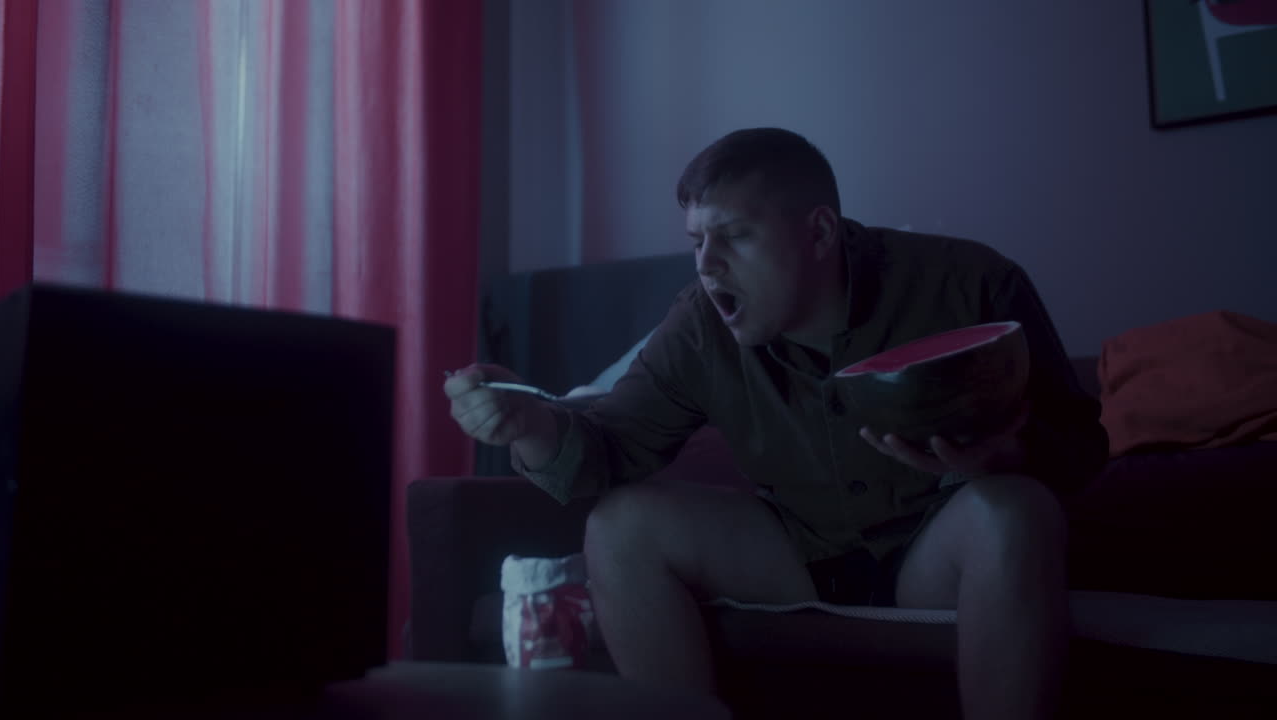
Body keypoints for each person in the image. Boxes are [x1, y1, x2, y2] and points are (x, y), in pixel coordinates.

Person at [445, 127, 1108, 719]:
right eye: (697, 241)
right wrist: (529, 423)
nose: (706, 264)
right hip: (796, 553)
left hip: (938, 551)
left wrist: (1000, 457)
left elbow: (1083, 446)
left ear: (818, 232)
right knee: (620, 524)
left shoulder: (970, 284)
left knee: (1012, 511)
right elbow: (609, 450)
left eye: (734, 236)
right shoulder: (699, 326)